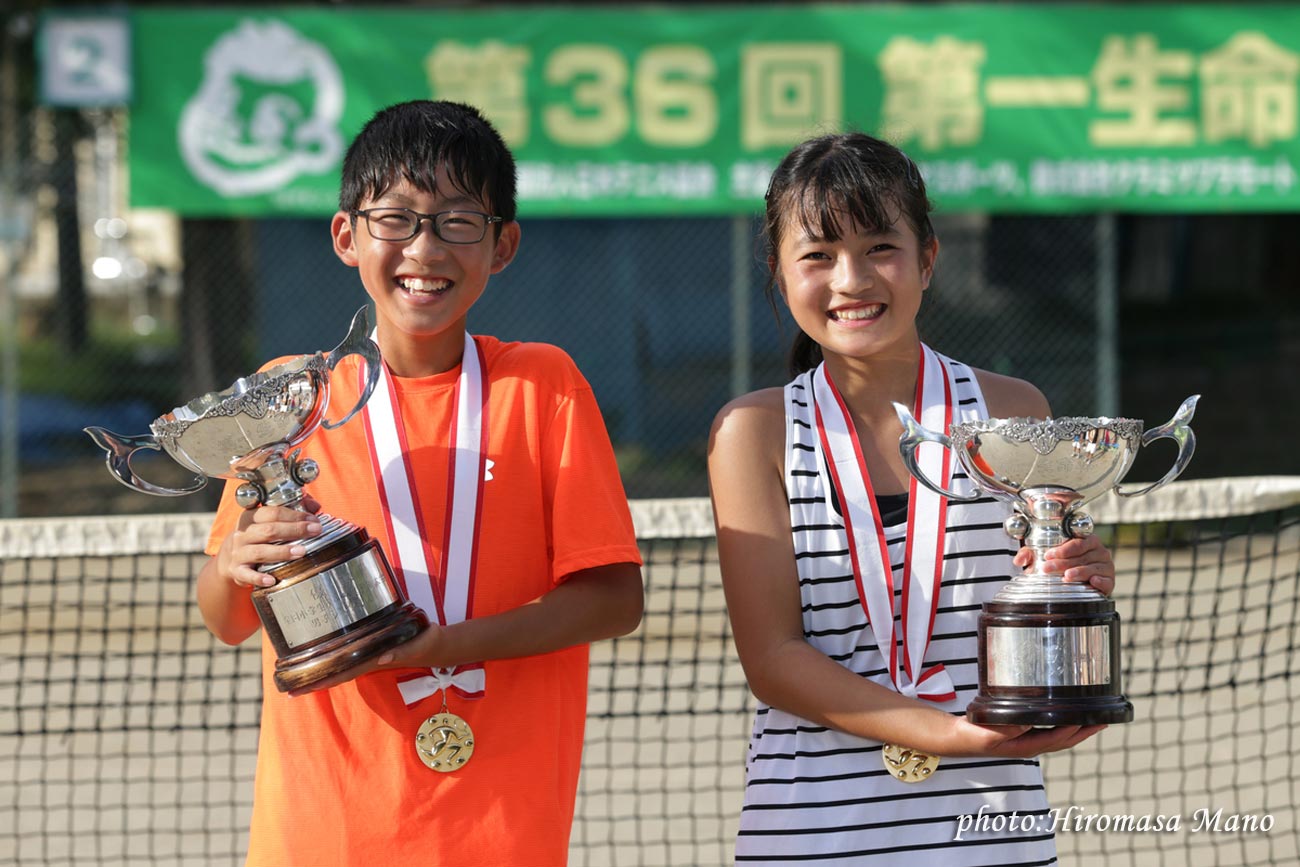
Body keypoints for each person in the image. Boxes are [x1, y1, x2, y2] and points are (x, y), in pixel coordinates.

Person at [197, 100, 644, 867]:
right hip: (325, 831)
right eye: (395, 219)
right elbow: (229, 618)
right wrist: (233, 561)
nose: (425, 249)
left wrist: (435, 648)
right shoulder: (289, 400)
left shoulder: (543, 385)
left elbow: (614, 598)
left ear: (502, 244)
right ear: (347, 236)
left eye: (457, 222)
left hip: (505, 829)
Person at [707, 132, 1116, 865]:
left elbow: (1039, 601)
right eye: (818, 254)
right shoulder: (752, 432)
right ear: (778, 272)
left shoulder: (1012, 408)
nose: (851, 279)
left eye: (879, 247)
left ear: (928, 258)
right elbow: (772, 657)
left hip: (992, 831)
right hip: (811, 836)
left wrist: (1075, 582)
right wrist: (952, 733)